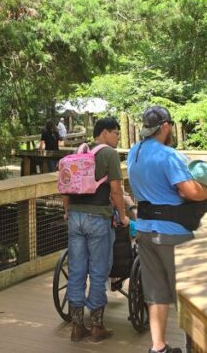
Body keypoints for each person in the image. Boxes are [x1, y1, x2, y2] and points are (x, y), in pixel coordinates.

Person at [128, 106, 207, 353]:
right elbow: (190, 191)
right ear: (165, 126)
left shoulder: (134, 152)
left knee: (156, 291)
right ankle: (193, 346)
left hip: (145, 229)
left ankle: (158, 347)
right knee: (186, 293)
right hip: (173, 233)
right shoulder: (168, 155)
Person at [61, 117, 128, 343]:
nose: (117, 137)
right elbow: (116, 190)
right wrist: (123, 216)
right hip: (98, 217)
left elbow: (66, 186)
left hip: (75, 217)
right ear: (105, 132)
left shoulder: (79, 152)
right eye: (116, 132)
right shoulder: (109, 154)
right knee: (98, 271)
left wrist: (67, 210)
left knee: (77, 271)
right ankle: (97, 326)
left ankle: (77, 326)